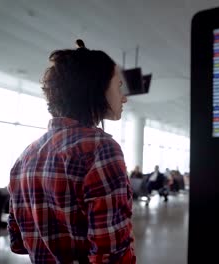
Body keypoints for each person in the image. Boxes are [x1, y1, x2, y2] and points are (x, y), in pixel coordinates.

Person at [8, 39, 135, 263]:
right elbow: (111, 254)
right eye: (118, 86)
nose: (123, 97)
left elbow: (18, 242)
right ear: (95, 88)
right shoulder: (100, 148)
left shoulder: (26, 156)